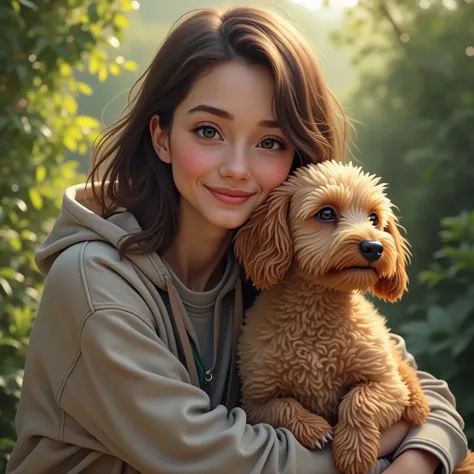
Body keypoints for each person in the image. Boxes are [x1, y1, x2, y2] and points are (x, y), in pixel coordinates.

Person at [6, 6, 468, 474]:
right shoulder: (93, 286)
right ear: (162, 137)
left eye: (270, 142)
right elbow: (218, 460)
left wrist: (418, 459)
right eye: (209, 131)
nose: (237, 168)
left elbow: (424, 392)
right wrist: (384, 439)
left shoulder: (275, 262)